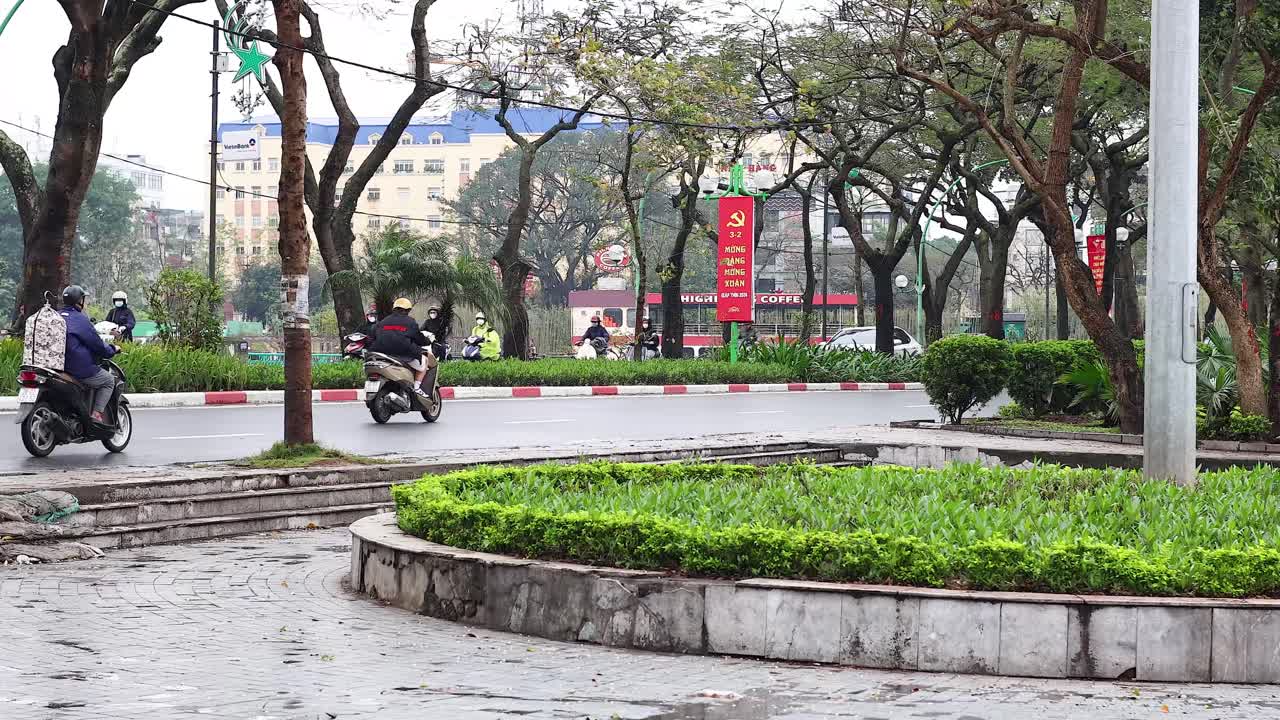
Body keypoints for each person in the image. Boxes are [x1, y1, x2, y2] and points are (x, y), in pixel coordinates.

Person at [59, 286, 119, 427]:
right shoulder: (81, 320)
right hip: (77, 368)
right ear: (79, 301)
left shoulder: (56, 315)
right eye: (83, 300)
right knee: (109, 380)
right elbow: (97, 344)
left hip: (57, 366)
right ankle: (97, 414)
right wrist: (112, 349)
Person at [368, 298, 431, 397]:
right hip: (403, 354)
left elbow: (372, 335)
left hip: (382, 354)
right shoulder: (410, 322)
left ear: (394, 309)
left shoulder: (383, 321)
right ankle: (417, 388)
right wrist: (427, 341)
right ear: (408, 310)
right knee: (424, 361)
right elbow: (419, 338)